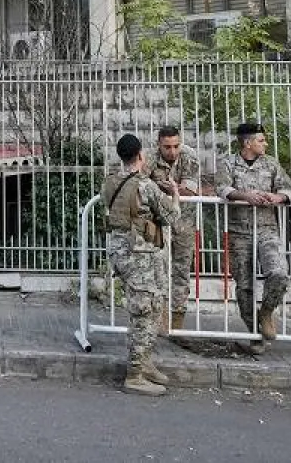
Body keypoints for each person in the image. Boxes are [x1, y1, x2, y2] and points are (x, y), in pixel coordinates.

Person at [100, 132, 177, 396]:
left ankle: (144, 363)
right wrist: (174, 193)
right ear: (141, 156)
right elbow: (171, 216)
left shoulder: (109, 182)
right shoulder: (145, 185)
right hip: (138, 255)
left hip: (119, 251)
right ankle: (134, 374)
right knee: (145, 310)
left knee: (146, 307)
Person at [215, 121, 291, 352]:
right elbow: (222, 189)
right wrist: (244, 196)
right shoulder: (228, 163)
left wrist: (277, 198)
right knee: (244, 287)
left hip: (267, 229)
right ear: (247, 143)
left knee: (279, 273)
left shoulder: (271, 164)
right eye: (261, 140)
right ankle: (254, 333)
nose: (265, 143)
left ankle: (267, 313)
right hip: (239, 233)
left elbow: (289, 189)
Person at [146, 126, 206, 332]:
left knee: (181, 270)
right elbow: (141, 183)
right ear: (159, 145)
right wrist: (171, 188)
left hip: (184, 221)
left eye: (176, 146)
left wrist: (163, 187)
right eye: (167, 147)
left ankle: (178, 317)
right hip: (159, 221)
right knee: (159, 269)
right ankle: (161, 315)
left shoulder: (190, 156)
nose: (172, 151)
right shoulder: (150, 158)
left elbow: (188, 190)